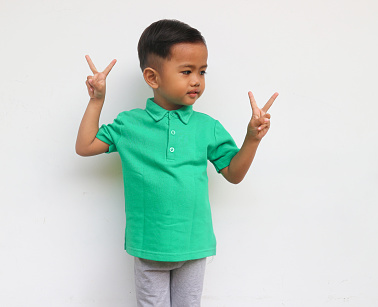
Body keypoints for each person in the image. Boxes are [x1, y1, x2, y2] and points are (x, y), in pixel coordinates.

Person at [76, 19, 278, 307]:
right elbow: (84, 146)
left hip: (194, 246)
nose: (196, 80)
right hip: (149, 246)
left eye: (202, 71)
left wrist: (252, 139)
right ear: (152, 77)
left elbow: (234, 174)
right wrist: (97, 100)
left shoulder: (207, 127)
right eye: (186, 71)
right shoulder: (129, 124)